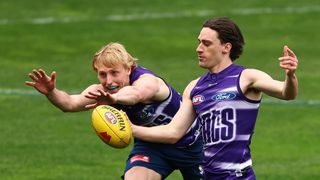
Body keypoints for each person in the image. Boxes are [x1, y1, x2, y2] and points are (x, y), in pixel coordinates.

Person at [131, 17, 298, 179]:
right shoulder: (194, 88)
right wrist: (131, 128)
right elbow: (173, 132)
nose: (198, 48)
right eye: (199, 42)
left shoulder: (246, 77)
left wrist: (290, 76)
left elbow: (286, 93)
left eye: (206, 43)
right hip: (207, 175)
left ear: (226, 47)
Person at [25, 42, 204, 180]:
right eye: (103, 74)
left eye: (114, 73)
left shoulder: (149, 82)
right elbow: (69, 104)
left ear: (129, 68)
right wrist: (51, 92)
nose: (109, 81)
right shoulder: (101, 91)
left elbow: (136, 94)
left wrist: (115, 99)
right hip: (152, 147)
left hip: (194, 145)